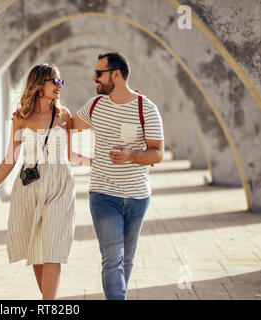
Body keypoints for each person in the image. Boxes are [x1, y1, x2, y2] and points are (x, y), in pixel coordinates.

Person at [0, 63, 90, 300]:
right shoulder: (21, 118)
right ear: (39, 86)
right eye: (54, 81)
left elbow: (71, 155)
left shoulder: (63, 115)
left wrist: (99, 162)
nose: (59, 86)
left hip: (60, 184)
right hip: (29, 186)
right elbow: (10, 159)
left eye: (60, 82)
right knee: (36, 249)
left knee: (53, 249)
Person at [72, 52, 164, 300]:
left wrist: (132, 155)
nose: (94, 78)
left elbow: (157, 153)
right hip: (103, 195)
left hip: (137, 197)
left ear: (117, 74)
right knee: (112, 258)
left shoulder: (147, 109)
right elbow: (67, 126)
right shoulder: (94, 106)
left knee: (127, 258)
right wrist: (32, 114)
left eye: (99, 73)